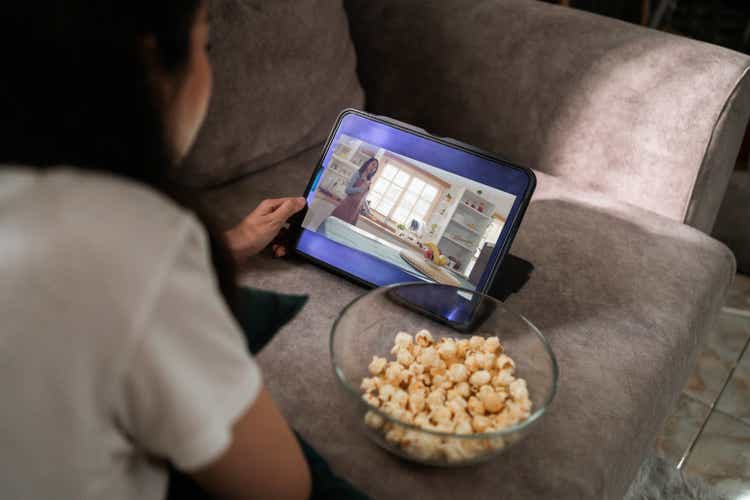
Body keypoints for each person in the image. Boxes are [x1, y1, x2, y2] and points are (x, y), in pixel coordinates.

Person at [0, 2, 322, 499]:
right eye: (205, 44)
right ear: (151, 66)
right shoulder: (134, 243)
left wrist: (228, 245)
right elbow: (279, 486)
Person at [331, 157, 379, 225]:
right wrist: (360, 189)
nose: (373, 168)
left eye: (375, 168)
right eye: (373, 164)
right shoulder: (358, 174)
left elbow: (363, 198)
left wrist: (369, 213)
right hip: (347, 206)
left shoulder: (368, 180)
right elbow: (347, 190)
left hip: (355, 212)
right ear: (367, 163)